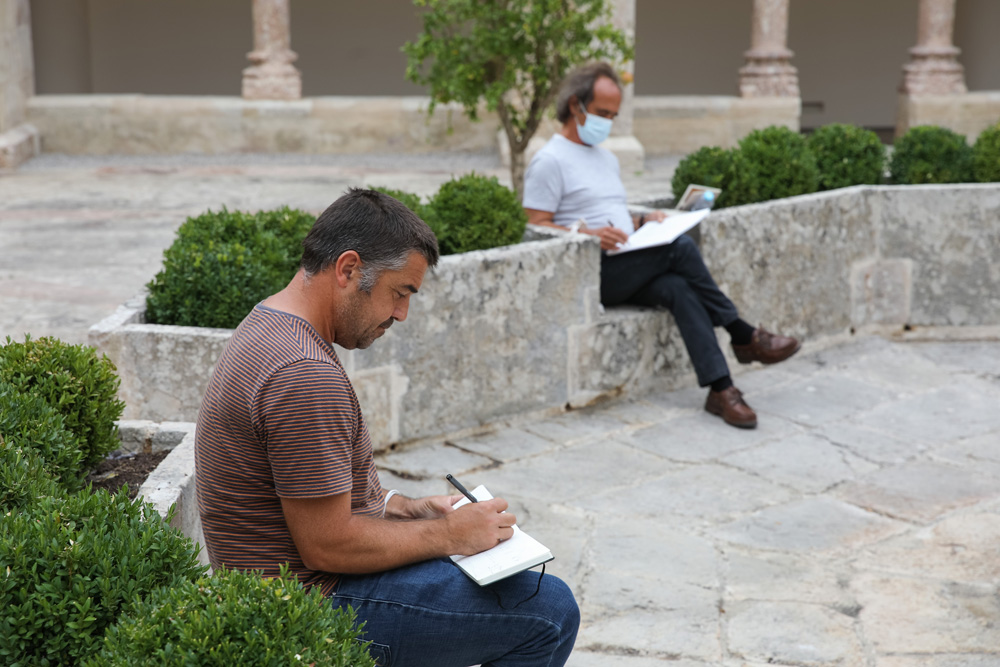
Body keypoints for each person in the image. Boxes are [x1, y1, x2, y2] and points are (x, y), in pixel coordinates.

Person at [195, 188, 580, 667]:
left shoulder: (270, 322)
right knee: (549, 611)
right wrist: (448, 536)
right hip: (306, 605)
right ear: (349, 269)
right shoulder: (303, 374)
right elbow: (327, 545)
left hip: (279, 583)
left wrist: (406, 510)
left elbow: (306, 501)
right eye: (401, 293)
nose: (401, 314)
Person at [522, 62, 800, 429]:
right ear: (576, 106)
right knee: (680, 249)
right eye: (603, 113)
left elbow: (610, 211)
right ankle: (743, 334)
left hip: (629, 261)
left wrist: (642, 221)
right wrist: (588, 234)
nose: (608, 123)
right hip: (594, 274)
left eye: (614, 115)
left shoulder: (606, 157)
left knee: (679, 288)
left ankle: (721, 389)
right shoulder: (549, 160)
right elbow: (535, 227)